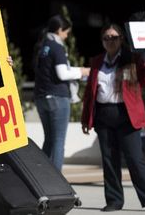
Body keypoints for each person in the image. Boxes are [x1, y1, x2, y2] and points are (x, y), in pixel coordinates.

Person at [81, 23, 145, 212]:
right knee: (109, 160)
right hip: (104, 115)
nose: (110, 41)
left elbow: (144, 80)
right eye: (106, 38)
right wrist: (86, 118)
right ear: (102, 41)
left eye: (114, 37)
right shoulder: (97, 61)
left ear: (122, 40)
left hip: (127, 116)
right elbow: (90, 92)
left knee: (135, 160)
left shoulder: (132, 60)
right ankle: (114, 201)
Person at [33, 15, 90, 171]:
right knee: (58, 141)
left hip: (41, 97)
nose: (66, 36)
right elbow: (63, 74)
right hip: (58, 98)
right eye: (66, 33)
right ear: (59, 30)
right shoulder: (57, 47)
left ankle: (42, 177)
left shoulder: (43, 46)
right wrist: (82, 71)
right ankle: (56, 180)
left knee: (49, 140)